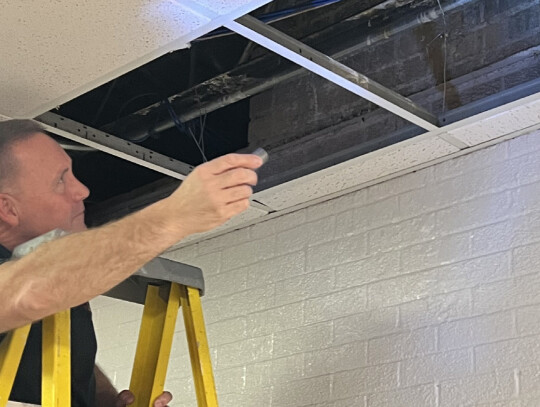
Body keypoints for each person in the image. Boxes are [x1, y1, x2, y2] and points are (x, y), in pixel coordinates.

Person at [0, 119, 262, 407]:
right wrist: (173, 216)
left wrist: (109, 402)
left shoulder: (60, 289)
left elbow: (63, 361)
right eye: (60, 180)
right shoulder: (32, 282)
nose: (82, 190)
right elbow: (27, 287)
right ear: (7, 208)